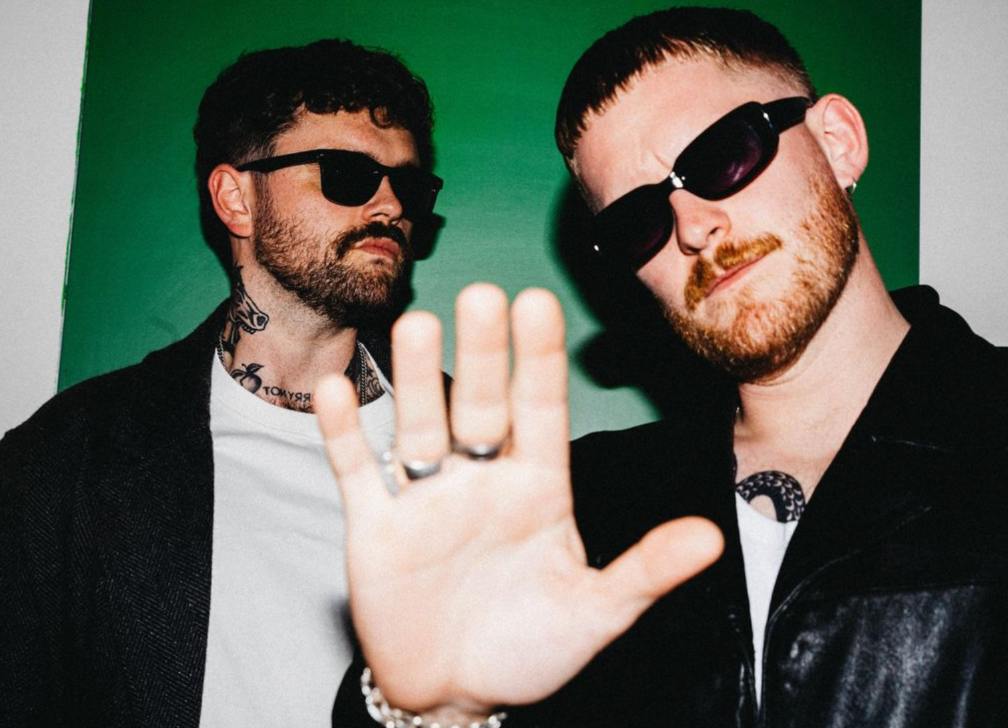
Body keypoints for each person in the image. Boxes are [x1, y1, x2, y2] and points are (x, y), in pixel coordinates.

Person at [320, 7, 1008, 728]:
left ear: (837, 141)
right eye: (637, 220)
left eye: (723, 156)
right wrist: (438, 712)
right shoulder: (582, 510)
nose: (692, 226)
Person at [0, 39, 444, 727]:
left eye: (408, 185)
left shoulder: (476, 447)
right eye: (348, 174)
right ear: (236, 199)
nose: (390, 205)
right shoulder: (68, 461)